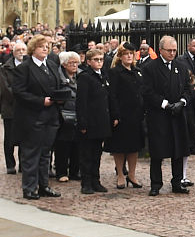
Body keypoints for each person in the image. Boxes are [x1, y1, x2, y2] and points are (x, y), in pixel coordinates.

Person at [11, 34, 68, 201]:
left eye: (47, 46)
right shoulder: (25, 68)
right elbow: (19, 92)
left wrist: (60, 97)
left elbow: (57, 85)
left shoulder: (51, 65)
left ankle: (44, 186)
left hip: (51, 116)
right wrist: (40, 101)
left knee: (46, 154)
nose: (45, 49)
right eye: (42, 46)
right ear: (33, 48)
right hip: (33, 117)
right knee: (31, 154)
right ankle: (29, 187)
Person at [142, 36, 192, 195]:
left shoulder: (181, 67)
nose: (172, 53)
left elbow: (188, 88)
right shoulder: (150, 68)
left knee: (178, 149)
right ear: (161, 50)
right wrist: (164, 104)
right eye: (169, 50)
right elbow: (147, 91)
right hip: (159, 115)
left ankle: (177, 182)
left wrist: (182, 102)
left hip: (177, 114)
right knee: (157, 151)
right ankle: (156, 183)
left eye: (174, 50)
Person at [106, 44, 144, 189]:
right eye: (126, 53)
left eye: (131, 53)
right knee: (120, 146)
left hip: (136, 114)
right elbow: (113, 95)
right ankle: (121, 174)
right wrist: (115, 114)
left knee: (134, 147)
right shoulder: (115, 72)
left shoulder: (138, 71)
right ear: (120, 56)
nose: (129, 56)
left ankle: (132, 175)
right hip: (122, 114)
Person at [75, 48, 110, 194]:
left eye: (101, 59)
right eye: (96, 60)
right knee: (86, 154)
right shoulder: (85, 77)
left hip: (101, 120)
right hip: (89, 121)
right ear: (89, 62)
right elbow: (81, 101)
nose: (99, 62)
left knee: (97, 153)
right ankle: (86, 182)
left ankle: (96, 180)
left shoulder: (103, 76)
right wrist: (82, 122)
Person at [0, 40, 26, 174]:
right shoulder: (6, 68)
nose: (21, 53)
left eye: (23, 50)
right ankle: (10, 164)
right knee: (9, 137)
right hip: (10, 107)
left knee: (24, 138)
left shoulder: (28, 66)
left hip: (25, 107)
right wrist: (19, 98)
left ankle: (23, 163)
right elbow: (5, 88)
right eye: (18, 50)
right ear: (13, 53)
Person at [53, 51, 81, 183]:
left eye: (76, 62)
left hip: (78, 112)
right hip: (64, 114)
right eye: (71, 63)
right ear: (64, 64)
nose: (75, 65)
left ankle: (75, 170)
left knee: (77, 143)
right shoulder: (58, 77)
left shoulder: (81, 76)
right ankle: (61, 171)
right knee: (63, 145)